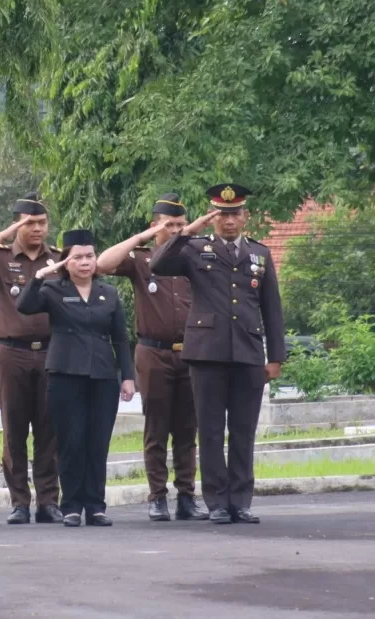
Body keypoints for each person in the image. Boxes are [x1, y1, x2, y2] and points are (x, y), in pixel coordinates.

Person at [151, 184, 285, 525]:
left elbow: (272, 309)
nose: (229, 221)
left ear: (245, 216)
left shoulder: (260, 254)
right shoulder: (195, 248)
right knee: (209, 429)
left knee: (243, 429)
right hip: (207, 352)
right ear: (213, 218)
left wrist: (276, 357)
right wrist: (188, 230)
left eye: (235, 214)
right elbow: (159, 264)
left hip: (248, 351)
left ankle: (240, 500)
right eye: (222, 214)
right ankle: (217, 502)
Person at [96, 194, 209, 522]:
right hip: (153, 352)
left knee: (188, 429)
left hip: (190, 353)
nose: (174, 230)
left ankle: (187, 496)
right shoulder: (141, 258)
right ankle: (157, 496)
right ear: (154, 226)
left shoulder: (193, 258)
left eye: (179, 224)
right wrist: (141, 238)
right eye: (167, 225)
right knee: (156, 428)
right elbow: (102, 264)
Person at [16, 229, 135, 528]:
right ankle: (71, 506)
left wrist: (128, 377)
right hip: (65, 374)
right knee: (70, 441)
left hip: (102, 375)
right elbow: (25, 307)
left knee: (98, 442)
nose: (85, 262)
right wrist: (40, 276)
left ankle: (95, 506)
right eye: (77, 257)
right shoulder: (53, 290)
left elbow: (120, 338)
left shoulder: (108, 293)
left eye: (90, 256)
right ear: (65, 262)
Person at [0, 193, 63, 525]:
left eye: (42, 223)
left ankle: (49, 501)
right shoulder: (2, 256)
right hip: (11, 353)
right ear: (17, 224)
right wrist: (1, 237)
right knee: (14, 430)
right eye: (29, 223)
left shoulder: (58, 259)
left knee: (49, 430)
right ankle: (19, 501)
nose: (37, 229)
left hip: (50, 351)